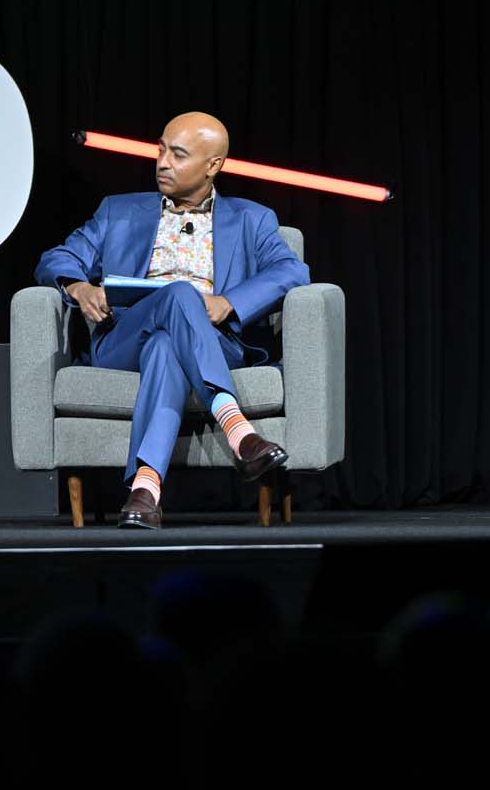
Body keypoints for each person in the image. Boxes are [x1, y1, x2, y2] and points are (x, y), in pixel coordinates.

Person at [35, 112, 309, 528]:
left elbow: (291, 271)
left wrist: (228, 303)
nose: (162, 162)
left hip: (212, 341)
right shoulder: (118, 211)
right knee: (178, 293)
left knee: (167, 345)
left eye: (178, 155)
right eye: (161, 149)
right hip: (125, 340)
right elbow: (57, 257)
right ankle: (238, 430)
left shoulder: (252, 218)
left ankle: (145, 490)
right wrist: (79, 288)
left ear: (212, 166)